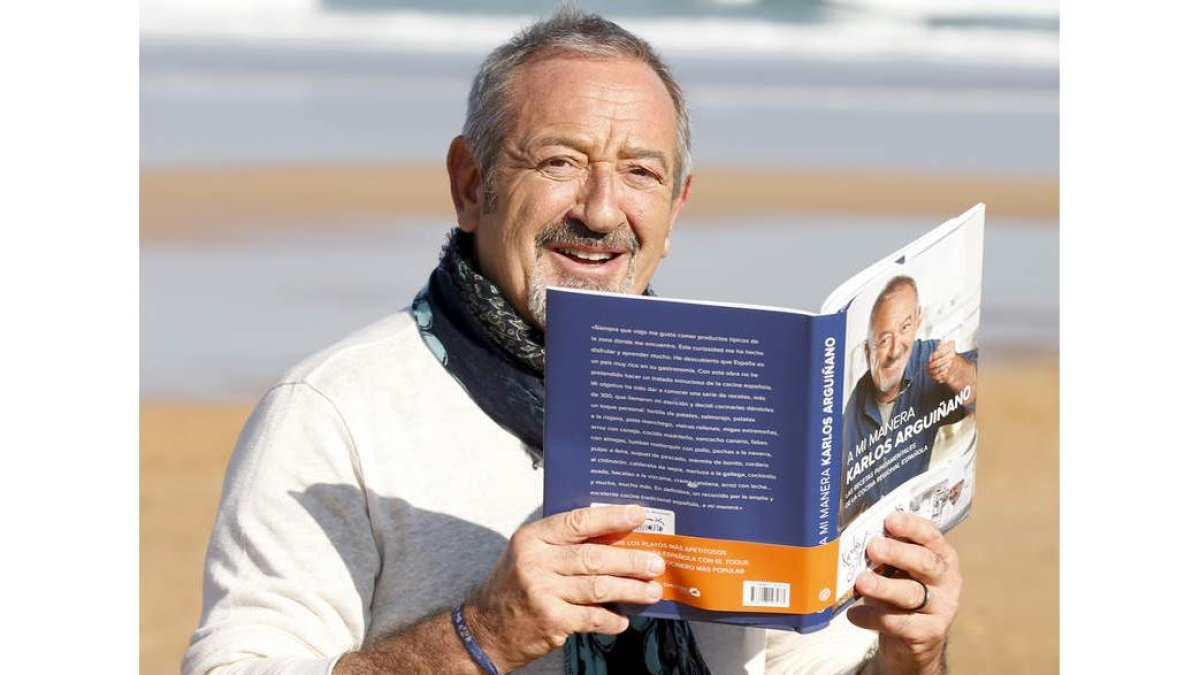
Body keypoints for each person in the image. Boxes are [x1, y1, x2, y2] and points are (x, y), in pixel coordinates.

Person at [183, 9, 963, 675]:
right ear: (470, 183)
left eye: (640, 172)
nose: (599, 209)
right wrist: (482, 634)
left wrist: (910, 655)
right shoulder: (334, 412)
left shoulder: (754, 408)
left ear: (677, 206)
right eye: (560, 161)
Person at [840, 275, 978, 526]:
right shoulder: (853, 407)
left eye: (905, 328)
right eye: (883, 340)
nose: (895, 350)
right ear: (867, 350)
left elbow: (977, 389)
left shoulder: (931, 359)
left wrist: (955, 369)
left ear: (918, 322)